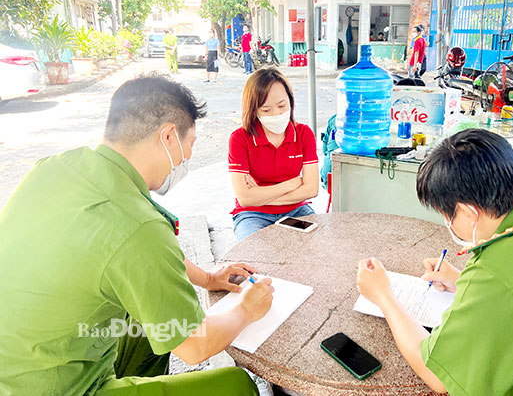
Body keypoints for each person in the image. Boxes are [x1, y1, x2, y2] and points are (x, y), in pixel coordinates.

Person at [0, 75, 275, 395]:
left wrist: (208, 278)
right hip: (57, 387)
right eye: (190, 145)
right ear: (169, 137)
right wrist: (247, 308)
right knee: (236, 386)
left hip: (16, 360)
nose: (187, 158)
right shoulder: (139, 225)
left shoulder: (56, 167)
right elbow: (195, 347)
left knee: (147, 317)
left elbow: (130, 254)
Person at [356, 129, 513, 395]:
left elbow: (439, 375)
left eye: (447, 216)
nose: (448, 224)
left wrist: (383, 296)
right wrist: (462, 281)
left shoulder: (498, 271)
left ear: (468, 212)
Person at [228, 68, 319, 241]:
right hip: (252, 214)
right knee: (253, 256)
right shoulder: (239, 138)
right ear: (254, 110)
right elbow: (245, 199)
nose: (276, 114)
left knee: (315, 247)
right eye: (266, 110)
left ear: (290, 101)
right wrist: (293, 184)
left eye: (281, 106)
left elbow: (311, 189)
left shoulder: (303, 133)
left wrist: (260, 195)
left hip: (297, 210)